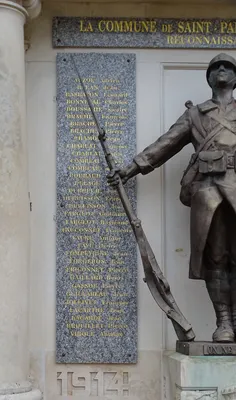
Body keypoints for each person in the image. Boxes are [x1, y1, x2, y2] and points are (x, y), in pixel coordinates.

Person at [108, 53, 236, 343]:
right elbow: (166, 143)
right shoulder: (195, 115)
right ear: (209, 77)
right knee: (216, 258)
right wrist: (130, 168)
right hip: (209, 192)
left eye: (227, 66)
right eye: (216, 66)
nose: (222, 70)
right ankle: (224, 323)